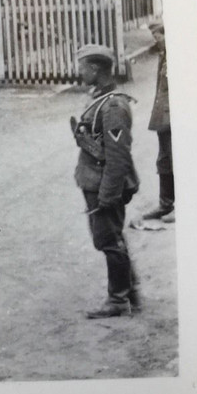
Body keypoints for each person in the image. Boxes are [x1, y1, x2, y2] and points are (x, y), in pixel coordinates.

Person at [71, 44, 140, 318]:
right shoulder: (101, 98)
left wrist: (108, 195)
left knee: (109, 240)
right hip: (95, 181)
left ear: (95, 68)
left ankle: (118, 300)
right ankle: (129, 291)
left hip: (103, 185)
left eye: (82, 66)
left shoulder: (112, 106)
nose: (79, 71)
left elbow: (118, 156)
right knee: (111, 237)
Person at [142, 21, 174, 223]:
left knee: (176, 161)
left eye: (158, 36)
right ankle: (165, 204)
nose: (156, 41)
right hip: (162, 118)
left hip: (173, 119)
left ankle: (180, 207)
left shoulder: (177, 57)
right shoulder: (163, 56)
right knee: (163, 160)